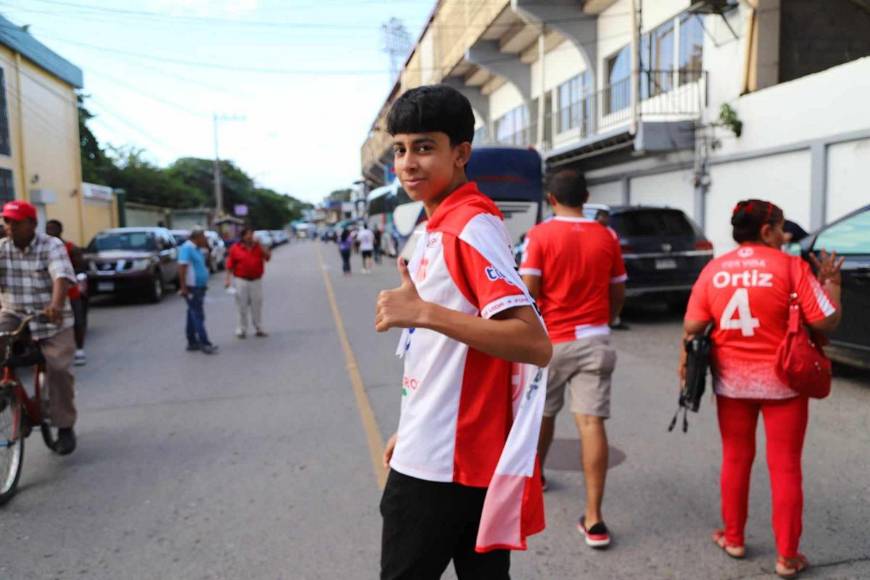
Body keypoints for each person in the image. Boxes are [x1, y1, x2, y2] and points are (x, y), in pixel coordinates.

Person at [375, 84, 552, 580]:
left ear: (461, 154)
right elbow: (442, 357)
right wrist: (409, 429)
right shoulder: (439, 224)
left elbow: (533, 343)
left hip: (444, 465)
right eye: (400, 149)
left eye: (425, 147)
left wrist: (423, 312)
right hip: (443, 450)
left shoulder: (468, 227)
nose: (408, 162)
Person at [682, 199, 842, 578]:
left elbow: (692, 326)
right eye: (782, 228)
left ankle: (733, 537)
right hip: (785, 380)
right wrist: (832, 284)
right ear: (767, 230)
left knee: (736, 459)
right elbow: (826, 323)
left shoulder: (715, 268)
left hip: (732, 381)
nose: (786, 235)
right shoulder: (790, 266)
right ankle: (787, 556)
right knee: (785, 467)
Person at [520, 169, 627, 549]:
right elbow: (618, 292)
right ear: (586, 196)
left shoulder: (540, 236)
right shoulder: (607, 235)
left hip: (552, 341)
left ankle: (535, 480)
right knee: (590, 422)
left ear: (551, 199)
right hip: (595, 338)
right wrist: (605, 321)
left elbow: (528, 292)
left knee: (543, 414)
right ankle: (595, 519)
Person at [0, 201, 78, 454]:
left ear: (32, 224)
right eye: (6, 222)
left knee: (58, 368)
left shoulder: (51, 245)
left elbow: (61, 277)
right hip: (14, 314)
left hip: (51, 319)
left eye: (16, 222)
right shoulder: (2, 248)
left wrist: (55, 305)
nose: (10, 227)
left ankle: (65, 426)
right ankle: (10, 399)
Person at [45, 219, 87, 366]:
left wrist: (66, 277)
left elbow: (81, 267)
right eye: (47, 229)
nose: (50, 231)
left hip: (71, 293)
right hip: (52, 293)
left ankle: (79, 349)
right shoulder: (44, 249)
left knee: (77, 321)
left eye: (53, 229)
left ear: (60, 230)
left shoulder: (70, 247)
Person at [225, 227, 271, 339]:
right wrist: (228, 279)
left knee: (257, 304)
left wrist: (261, 245)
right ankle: (241, 329)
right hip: (241, 280)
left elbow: (267, 257)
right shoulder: (235, 248)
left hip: (256, 280)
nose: (250, 237)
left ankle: (258, 327)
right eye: (247, 234)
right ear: (243, 236)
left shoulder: (258, 247)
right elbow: (230, 265)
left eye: (251, 234)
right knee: (241, 306)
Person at [178, 227, 217, 354]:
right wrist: (183, 287)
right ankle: (204, 342)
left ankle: (192, 342)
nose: (205, 239)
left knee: (192, 314)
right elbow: (182, 268)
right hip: (192, 287)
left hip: (199, 286)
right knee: (198, 315)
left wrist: (208, 249)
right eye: (203, 236)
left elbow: (206, 264)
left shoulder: (197, 249)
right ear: (197, 237)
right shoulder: (187, 248)